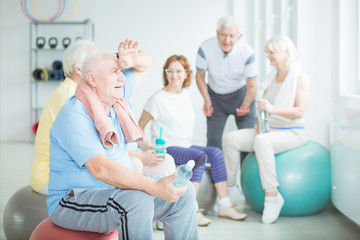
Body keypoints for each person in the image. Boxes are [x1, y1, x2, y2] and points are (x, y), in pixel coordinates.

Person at [47, 50, 198, 239]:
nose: (122, 78)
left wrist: (132, 59)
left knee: (184, 194)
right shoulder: (75, 115)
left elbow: (145, 63)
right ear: (93, 79)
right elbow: (101, 169)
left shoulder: (115, 98)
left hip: (113, 194)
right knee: (137, 199)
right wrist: (153, 185)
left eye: (122, 71)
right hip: (72, 201)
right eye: (115, 72)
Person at [30, 39, 159, 195]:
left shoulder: (103, 88)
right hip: (52, 176)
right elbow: (94, 151)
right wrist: (140, 156)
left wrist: (129, 59)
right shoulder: (70, 100)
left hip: (87, 164)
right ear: (80, 70)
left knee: (135, 167)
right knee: (133, 167)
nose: (100, 60)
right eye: (94, 58)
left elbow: (145, 65)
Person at [138, 55, 248, 227]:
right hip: (168, 147)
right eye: (170, 71)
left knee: (216, 153)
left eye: (178, 71)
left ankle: (225, 204)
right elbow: (139, 127)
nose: (174, 75)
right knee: (198, 157)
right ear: (165, 74)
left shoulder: (186, 95)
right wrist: (148, 146)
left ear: (186, 74)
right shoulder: (157, 98)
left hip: (185, 144)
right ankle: (192, 208)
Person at [223, 35, 310, 224]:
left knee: (262, 141)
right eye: (267, 53)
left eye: (272, 52)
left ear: (285, 52)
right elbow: (261, 108)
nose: (268, 57)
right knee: (231, 138)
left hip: (293, 132)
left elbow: (299, 111)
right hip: (270, 129)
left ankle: (272, 196)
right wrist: (257, 127)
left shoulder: (300, 78)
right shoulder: (272, 77)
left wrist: (272, 109)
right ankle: (231, 189)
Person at [195, 15, 257, 150]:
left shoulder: (247, 52)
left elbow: (252, 85)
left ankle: (245, 171)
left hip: (242, 96)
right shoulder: (205, 48)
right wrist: (207, 99)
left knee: (246, 142)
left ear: (239, 37)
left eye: (231, 36)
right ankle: (214, 171)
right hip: (216, 97)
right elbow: (200, 76)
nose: (227, 40)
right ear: (217, 33)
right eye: (223, 34)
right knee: (213, 140)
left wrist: (246, 104)